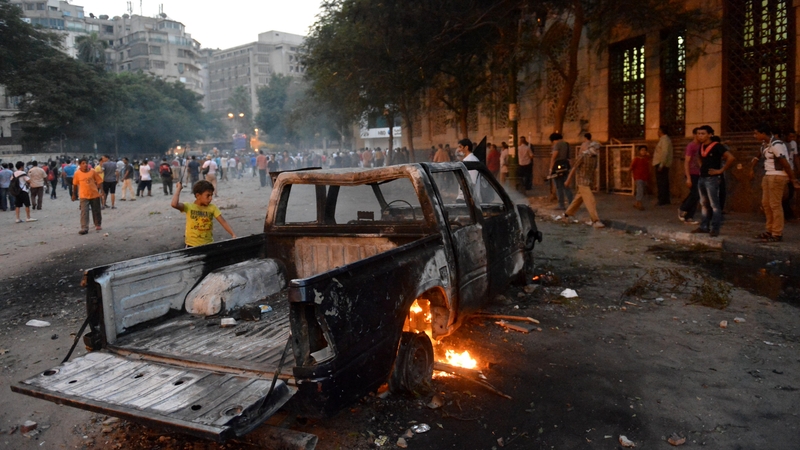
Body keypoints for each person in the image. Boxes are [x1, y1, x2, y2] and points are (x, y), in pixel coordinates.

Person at [752, 123, 800, 242]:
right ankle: (769, 230)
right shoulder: (765, 145)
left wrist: (793, 179)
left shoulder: (776, 144)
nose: (755, 136)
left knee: (775, 204)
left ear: (763, 133)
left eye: (756, 133)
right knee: (766, 204)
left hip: (777, 176)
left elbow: (785, 163)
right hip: (768, 175)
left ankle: (777, 233)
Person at [692, 125, 735, 237]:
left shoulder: (717, 146)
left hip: (712, 178)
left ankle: (715, 228)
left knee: (714, 204)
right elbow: (698, 157)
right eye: (699, 134)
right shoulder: (701, 146)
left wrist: (720, 170)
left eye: (703, 134)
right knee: (704, 203)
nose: (700, 136)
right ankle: (704, 226)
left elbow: (731, 158)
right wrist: (702, 167)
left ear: (710, 134)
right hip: (703, 177)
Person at [171, 180, 235, 247]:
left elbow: (223, 222)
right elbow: (174, 204)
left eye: (211, 195)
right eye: (208, 195)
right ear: (198, 195)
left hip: (209, 244)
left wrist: (233, 234)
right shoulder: (189, 207)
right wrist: (178, 188)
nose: (210, 198)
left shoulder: (212, 208)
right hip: (192, 245)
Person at [564, 133, 604, 228]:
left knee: (578, 199)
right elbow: (574, 168)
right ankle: (595, 220)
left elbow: (593, 171)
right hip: (582, 181)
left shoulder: (595, 158)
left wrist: (593, 182)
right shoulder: (582, 156)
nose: (597, 151)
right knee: (591, 201)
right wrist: (568, 180)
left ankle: (567, 214)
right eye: (595, 149)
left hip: (588, 181)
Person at [72, 158, 103, 234]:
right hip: (83, 195)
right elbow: (75, 184)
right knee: (84, 212)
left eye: (86, 163)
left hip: (94, 194)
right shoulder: (77, 173)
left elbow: (99, 181)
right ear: (80, 165)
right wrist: (74, 194)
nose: (85, 164)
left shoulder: (93, 171)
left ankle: (97, 224)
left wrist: (102, 191)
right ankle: (84, 227)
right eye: (83, 163)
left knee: (96, 210)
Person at [678, 128, 701, 224]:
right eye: (698, 134)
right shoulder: (691, 146)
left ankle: (689, 216)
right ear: (694, 135)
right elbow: (687, 162)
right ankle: (683, 209)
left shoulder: (701, 146)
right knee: (695, 193)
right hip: (692, 172)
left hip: (699, 172)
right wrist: (688, 177)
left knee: (696, 195)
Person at [548, 133, 573, 209]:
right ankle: (572, 203)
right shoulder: (567, 144)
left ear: (553, 140)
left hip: (557, 166)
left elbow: (554, 157)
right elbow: (569, 157)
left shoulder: (557, 145)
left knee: (559, 186)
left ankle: (561, 205)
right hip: (565, 166)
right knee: (566, 186)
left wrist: (550, 169)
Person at [652, 125, 673, 205]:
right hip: (662, 163)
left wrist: (661, 164)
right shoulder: (664, 140)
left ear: (661, 131)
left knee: (661, 183)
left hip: (661, 164)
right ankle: (665, 199)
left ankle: (662, 199)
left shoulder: (664, 140)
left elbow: (664, 153)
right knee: (663, 182)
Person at [630, 145, 650, 211]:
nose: (643, 152)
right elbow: (632, 167)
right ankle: (639, 202)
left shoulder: (646, 159)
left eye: (645, 150)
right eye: (642, 150)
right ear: (639, 151)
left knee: (641, 189)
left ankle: (637, 202)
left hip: (644, 177)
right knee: (640, 189)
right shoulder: (636, 159)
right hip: (638, 176)